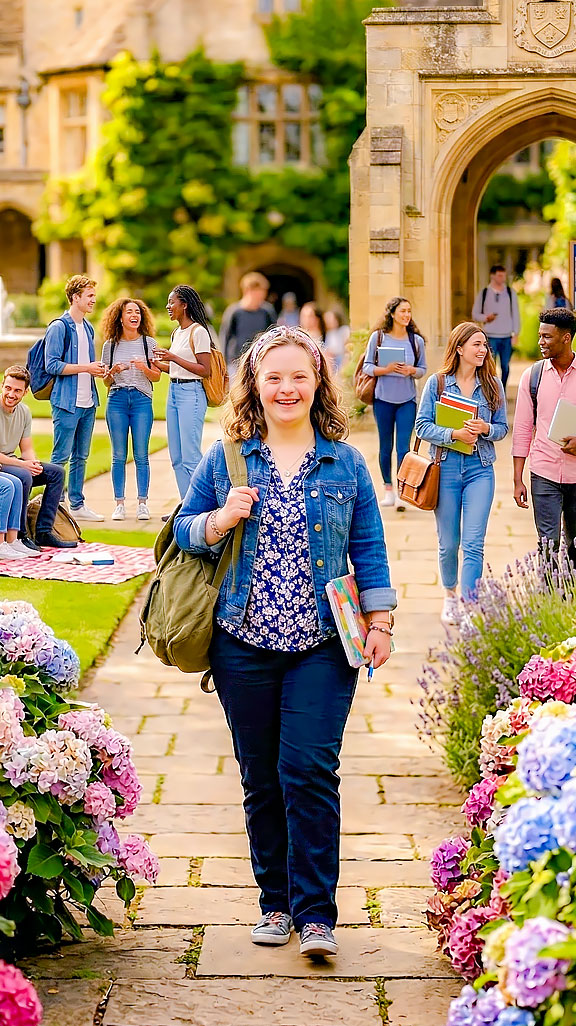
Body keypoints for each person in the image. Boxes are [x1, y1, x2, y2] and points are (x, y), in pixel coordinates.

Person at [174, 324, 396, 959]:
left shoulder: (345, 460)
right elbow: (181, 531)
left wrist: (379, 621)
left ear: (318, 381)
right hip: (241, 642)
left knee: (309, 770)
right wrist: (218, 520)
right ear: (255, 384)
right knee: (262, 778)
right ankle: (275, 903)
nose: (287, 388)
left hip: (323, 644)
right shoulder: (228, 457)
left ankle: (316, 914)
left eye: (300, 376)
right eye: (274, 377)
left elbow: (369, 549)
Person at [415, 322, 508, 627]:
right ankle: (450, 596)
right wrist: (453, 433)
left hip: (480, 470)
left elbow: (502, 428)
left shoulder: (493, 384)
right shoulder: (438, 383)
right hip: (446, 469)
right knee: (449, 542)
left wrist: (486, 429)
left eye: (484, 345)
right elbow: (422, 426)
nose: (483, 350)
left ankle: (470, 607)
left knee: (473, 541)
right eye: (476, 345)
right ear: (459, 349)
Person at [513, 309, 576, 566]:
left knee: (575, 547)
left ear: (566, 338)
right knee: (547, 546)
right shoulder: (533, 377)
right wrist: (518, 478)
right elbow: (522, 429)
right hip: (544, 473)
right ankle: (550, 599)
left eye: (547, 337)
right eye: (539, 336)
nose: (541, 342)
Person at [45, 274, 106, 521]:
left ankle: (77, 504)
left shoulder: (88, 327)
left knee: (81, 456)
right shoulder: (59, 327)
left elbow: (87, 364)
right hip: (66, 403)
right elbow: (52, 365)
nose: (93, 300)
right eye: (89, 296)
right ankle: (56, 507)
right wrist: (86, 368)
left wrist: (98, 370)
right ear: (75, 297)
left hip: (88, 402)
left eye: (93, 295)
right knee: (61, 456)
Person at [0, 365, 76, 551]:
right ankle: (21, 535)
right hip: (4, 465)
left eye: (17, 390)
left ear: (25, 392)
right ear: (2, 385)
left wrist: (32, 463)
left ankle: (43, 532)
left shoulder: (24, 412)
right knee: (23, 475)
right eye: (8, 388)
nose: (11, 394)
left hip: (13, 462)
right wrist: (23, 465)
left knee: (56, 473)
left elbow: (26, 448)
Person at [363, 297, 427, 510]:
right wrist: (387, 369)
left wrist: (411, 371)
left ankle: (402, 491)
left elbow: (423, 369)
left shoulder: (415, 341)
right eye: (402, 311)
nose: (406, 315)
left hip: (406, 400)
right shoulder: (378, 337)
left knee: (403, 449)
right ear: (392, 314)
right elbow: (367, 367)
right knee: (385, 447)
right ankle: (388, 489)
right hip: (383, 400)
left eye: (409, 311)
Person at [101, 299, 161, 522]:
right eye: (129, 312)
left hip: (141, 401)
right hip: (116, 399)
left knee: (141, 454)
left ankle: (143, 504)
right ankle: (119, 504)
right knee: (118, 455)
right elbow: (105, 382)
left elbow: (156, 376)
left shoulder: (149, 343)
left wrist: (144, 367)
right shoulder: (110, 345)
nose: (134, 315)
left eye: (137, 312)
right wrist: (114, 371)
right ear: (120, 317)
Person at [152, 285, 211, 500]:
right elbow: (177, 368)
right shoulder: (177, 332)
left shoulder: (199, 332)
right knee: (176, 457)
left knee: (190, 457)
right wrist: (158, 364)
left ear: (184, 305)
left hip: (191, 394)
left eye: (172, 302)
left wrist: (173, 358)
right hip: (174, 392)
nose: (168, 307)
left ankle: (202, 504)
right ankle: (185, 506)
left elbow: (205, 370)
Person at [471, 264, 520, 392]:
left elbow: (515, 313)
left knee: (505, 366)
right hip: (490, 336)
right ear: (492, 276)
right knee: (489, 365)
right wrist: (486, 318)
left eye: (503, 275)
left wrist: (516, 333)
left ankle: (502, 390)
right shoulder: (484, 293)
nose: (502, 278)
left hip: (506, 336)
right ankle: (490, 389)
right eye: (499, 275)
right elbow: (475, 314)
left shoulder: (510, 292)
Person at [220, 273, 276, 373]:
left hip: (260, 361)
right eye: (259, 291)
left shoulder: (267, 312)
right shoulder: (234, 311)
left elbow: (273, 335)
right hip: (236, 362)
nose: (263, 294)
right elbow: (225, 337)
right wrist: (223, 363)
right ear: (248, 290)